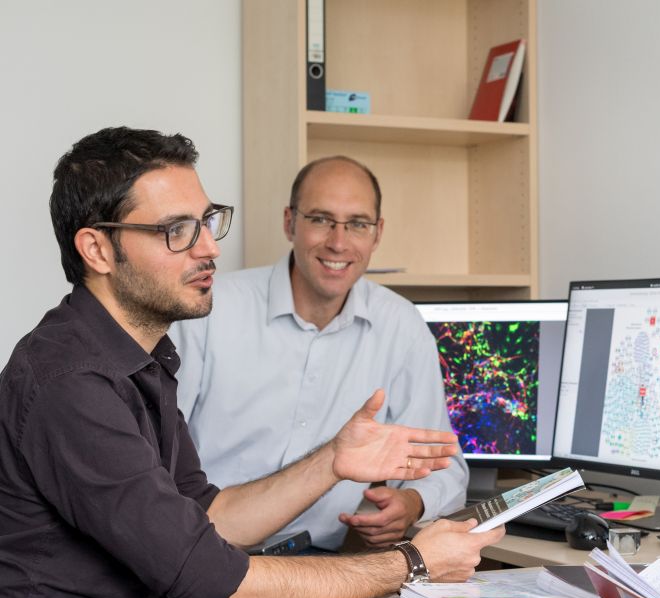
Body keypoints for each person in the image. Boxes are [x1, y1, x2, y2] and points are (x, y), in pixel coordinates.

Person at [0, 126, 504, 598]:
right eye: (176, 231)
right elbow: (219, 590)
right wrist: (412, 564)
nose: (210, 247)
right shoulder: (73, 384)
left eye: (208, 221)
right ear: (97, 249)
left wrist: (334, 458)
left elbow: (210, 518)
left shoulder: (141, 357)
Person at [170, 155, 465, 552]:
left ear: (377, 234)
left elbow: (444, 465)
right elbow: (155, 457)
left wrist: (411, 503)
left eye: (357, 224)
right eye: (321, 219)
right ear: (290, 222)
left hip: (318, 561)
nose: (338, 242)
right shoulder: (210, 308)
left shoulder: (400, 324)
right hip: (206, 550)